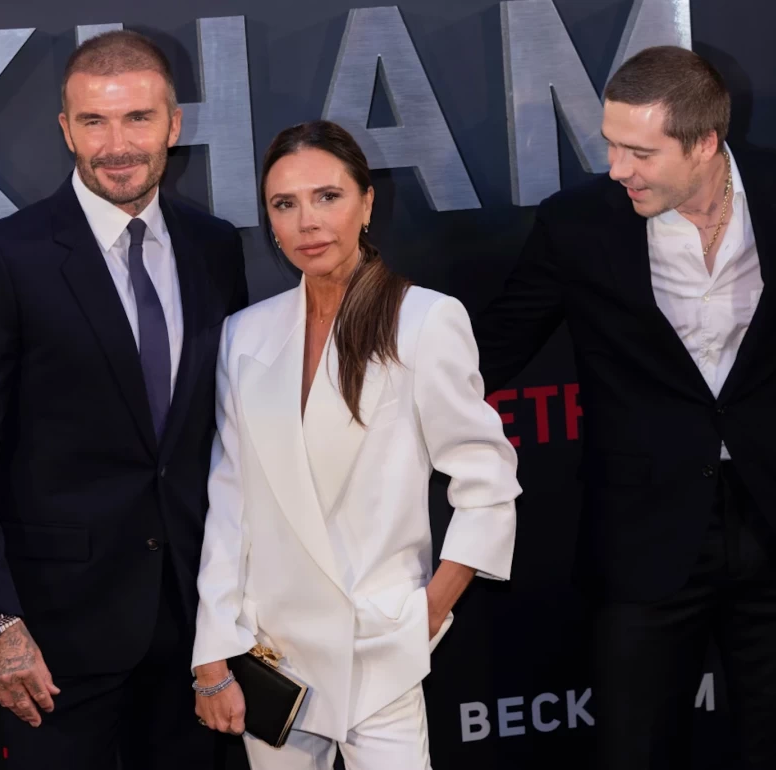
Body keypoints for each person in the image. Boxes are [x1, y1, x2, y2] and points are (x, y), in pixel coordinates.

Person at [473, 46, 776, 769]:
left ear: (705, 142)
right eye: (611, 145)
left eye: (640, 152)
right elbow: (493, 350)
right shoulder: (577, 225)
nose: (617, 169)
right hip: (642, 537)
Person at [0, 31, 248, 770]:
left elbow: (221, 435)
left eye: (137, 118)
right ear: (66, 130)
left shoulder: (214, 247)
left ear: (174, 124)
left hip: (196, 630)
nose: (116, 145)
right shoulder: (2, 259)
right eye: (94, 121)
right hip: (54, 640)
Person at [190, 120, 519, 770]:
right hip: (272, 657)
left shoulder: (423, 320)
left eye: (327, 196)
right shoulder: (244, 336)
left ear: (367, 203)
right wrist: (213, 651)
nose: (307, 221)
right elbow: (230, 506)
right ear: (269, 222)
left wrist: (428, 612)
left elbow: (488, 483)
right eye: (285, 204)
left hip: (377, 649)